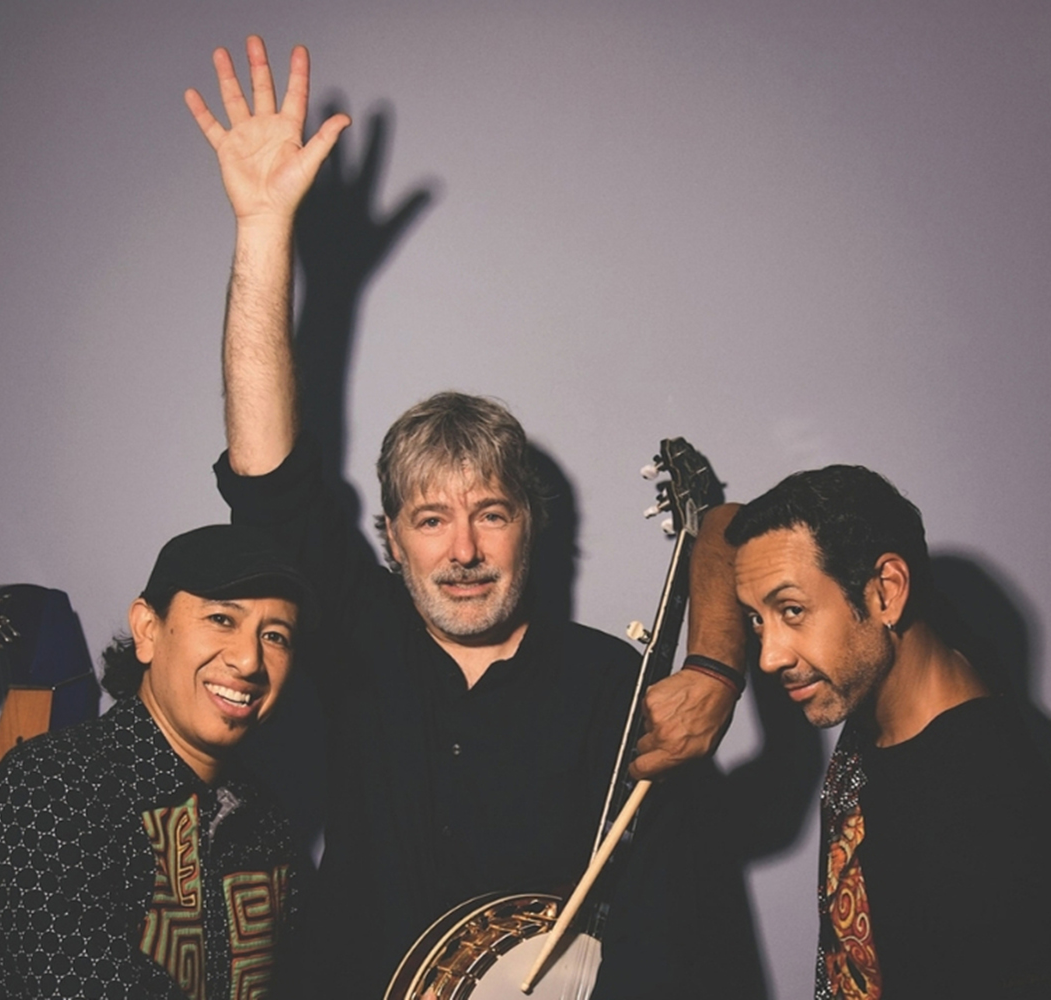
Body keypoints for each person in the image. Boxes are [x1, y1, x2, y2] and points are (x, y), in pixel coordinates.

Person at [184, 36, 757, 999]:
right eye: (429, 519)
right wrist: (262, 230)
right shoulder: (355, 639)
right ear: (390, 540)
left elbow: (671, 934)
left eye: (491, 513)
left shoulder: (606, 685)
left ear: (532, 524)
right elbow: (265, 476)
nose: (463, 550)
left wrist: (715, 668)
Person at [714, 466, 1051, 999]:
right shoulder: (886, 692)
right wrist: (708, 669)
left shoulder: (989, 816)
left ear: (886, 593)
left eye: (792, 610)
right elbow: (717, 527)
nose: (768, 657)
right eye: (756, 620)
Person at [0, 524, 316, 999]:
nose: (249, 660)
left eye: (275, 636)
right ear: (147, 630)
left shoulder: (266, 819)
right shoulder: (48, 786)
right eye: (221, 619)